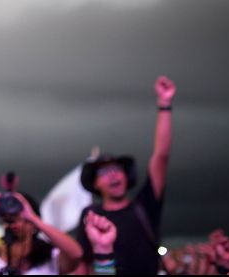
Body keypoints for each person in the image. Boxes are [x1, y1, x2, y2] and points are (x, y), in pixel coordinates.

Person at [75, 76, 176, 275]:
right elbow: (83, 264)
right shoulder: (90, 216)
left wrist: (164, 104)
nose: (113, 175)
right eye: (104, 172)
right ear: (95, 184)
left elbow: (161, 156)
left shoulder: (145, 205)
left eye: (117, 169)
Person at [0, 191, 83, 275]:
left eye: (20, 218)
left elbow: (76, 254)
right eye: (8, 218)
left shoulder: (51, 257)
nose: (14, 223)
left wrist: (32, 217)